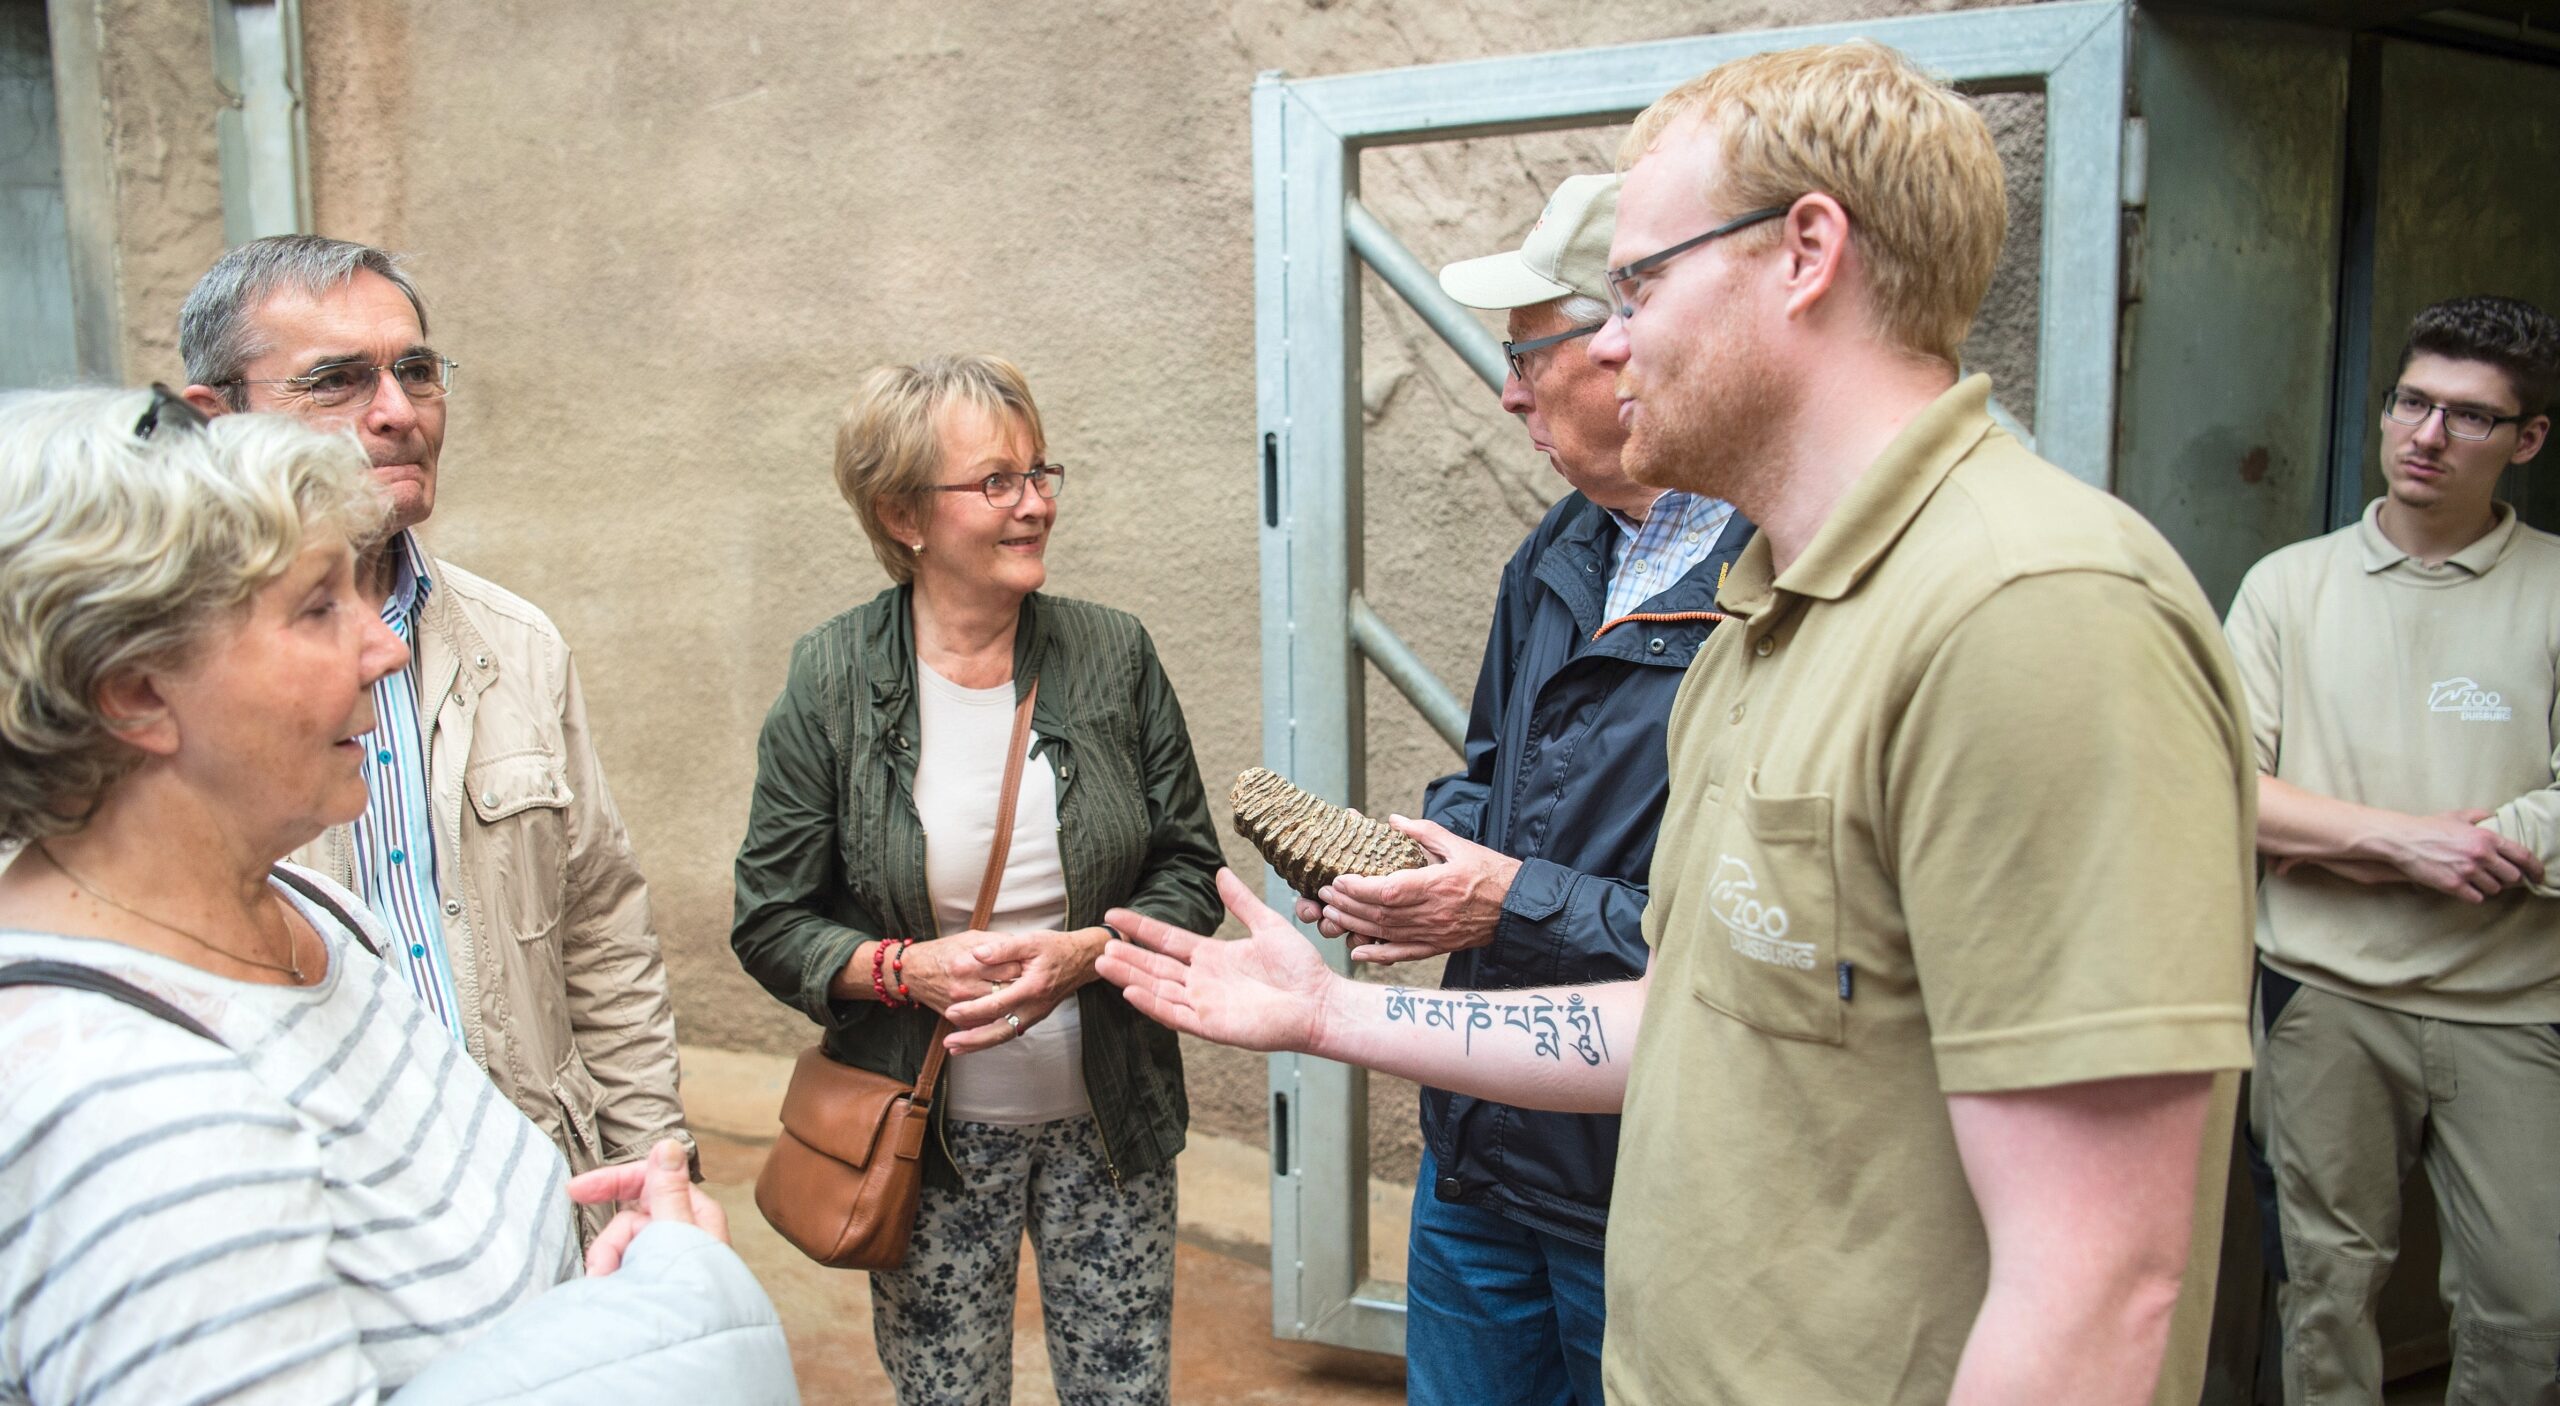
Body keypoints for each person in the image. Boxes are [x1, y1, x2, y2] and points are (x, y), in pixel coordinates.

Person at [1101, 40, 2259, 1406]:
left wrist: (1502, 905)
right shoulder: (1771, 613)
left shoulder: (2035, 611)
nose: (1606, 337)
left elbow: (2102, 1283)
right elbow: (1681, 1019)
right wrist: (1329, 1016)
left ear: (1805, 251)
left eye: (1638, 281)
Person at [0, 387, 788, 1405]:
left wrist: (635, 1299)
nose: (388, 646)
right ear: (137, 691)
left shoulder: (311, 910)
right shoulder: (129, 1112)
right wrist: (672, 1309)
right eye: (317, 605)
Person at [1293, 171, 1750, 1406]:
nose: (1506, 391)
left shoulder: (1773, 572)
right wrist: (1423, 866)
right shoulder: (1561, 544)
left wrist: (1506, 903)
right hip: (1483, 1152)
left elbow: (1741, 941)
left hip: (1644, 1174)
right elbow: (1493, 766)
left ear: (1623, 348)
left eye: (1525, 355)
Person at [731, 355, 1223, 1405]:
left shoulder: (1113, 654)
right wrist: (909, 970)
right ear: (903, 511)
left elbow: (1190, 864)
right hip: (923, 1139)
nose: (1035, 501)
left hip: (1111, 1123)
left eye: (1040, 470)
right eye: (996, 481)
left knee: (1123, 1391)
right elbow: (770, 918)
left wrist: (1085, 951)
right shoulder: (831, 678)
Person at [175, 237, 690, 1210]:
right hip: (326, 1220)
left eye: (415, 370)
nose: (397, 411)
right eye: (336, 381)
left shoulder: (517, 643)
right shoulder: (164, 687)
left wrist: (656, 1169)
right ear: (216, 416)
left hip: (540, 1198)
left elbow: (602, 935)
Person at [2223, 295, 2560, 1405]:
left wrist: (2475, 842)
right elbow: (2222, 789)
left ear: (2527, 439)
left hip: (2513, 1005)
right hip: (2328, 998)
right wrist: (2403, 843)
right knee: (2324, 1292)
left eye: (2468, 416)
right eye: (2410, 400)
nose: (2424, 434)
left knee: (2526, 1307)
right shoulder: (2286, 587)